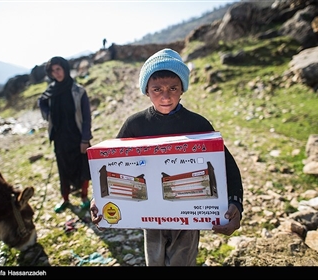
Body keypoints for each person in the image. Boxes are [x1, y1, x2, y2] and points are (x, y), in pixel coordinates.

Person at [90, 48, 243, 266]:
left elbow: (227, 166)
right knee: (155, 261)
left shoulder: (198, 125)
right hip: (150, 217)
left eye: (173, 88)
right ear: (146, 91)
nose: (165, 95)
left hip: (188, 218)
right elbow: (113, 166)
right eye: (157, 89)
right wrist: (100, 201)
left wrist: (235, 203)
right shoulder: (135, 125)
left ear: (182, 89)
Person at [38, 56, 93, 213]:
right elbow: (41, 101)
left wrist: (85, 139)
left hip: (77, 137)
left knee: (82, 168)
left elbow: (86, 117)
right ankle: (65, 199)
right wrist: (48, 115)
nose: (56, 73)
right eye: (53, 71)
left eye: (59, 69)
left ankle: (84, 197)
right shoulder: (51, 91)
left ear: (65, 69)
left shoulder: (78, 91)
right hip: (60, 139)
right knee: (63, 170)